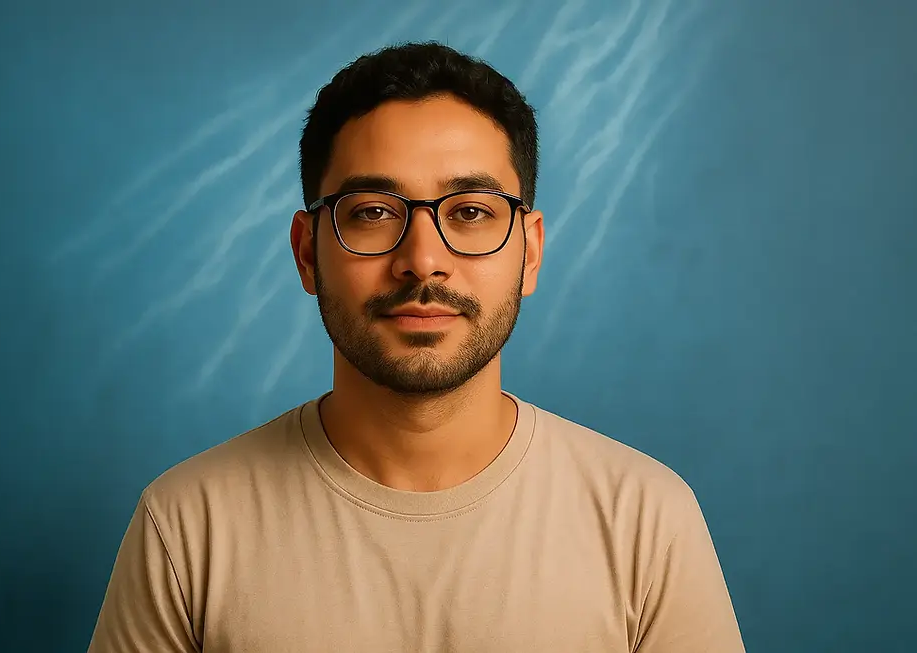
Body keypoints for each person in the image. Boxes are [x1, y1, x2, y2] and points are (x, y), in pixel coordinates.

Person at [87, 41, 745, 652]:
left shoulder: (646, 521)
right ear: (306, 252)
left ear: (532, 250)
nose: (423, 261)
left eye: (470, 211)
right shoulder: (186, 525)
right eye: (373, 211)